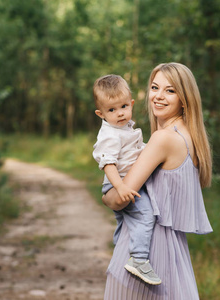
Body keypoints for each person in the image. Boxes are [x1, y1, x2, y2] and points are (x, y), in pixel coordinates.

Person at [102, 63, 213, 299]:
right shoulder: (188, 135)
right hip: (174, 254)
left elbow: (119, 199)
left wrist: (106, 195)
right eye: (154, 87)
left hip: (147, 253)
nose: (158, 96)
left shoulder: (163, 139)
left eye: (170, 91)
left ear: (185, 99)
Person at [92, 74, 161, 285]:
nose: (120, 113)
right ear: (100, 113)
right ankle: (139, 259)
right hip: (120, 182)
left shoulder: (124, 127)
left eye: (123, 106)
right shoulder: (111, 134)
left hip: (123, 181)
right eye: (111, 110)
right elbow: (108, 163)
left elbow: (132, 151)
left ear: (131, 103)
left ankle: (121, 255)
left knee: (125, 224)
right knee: (145, 214)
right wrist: (121, 186)